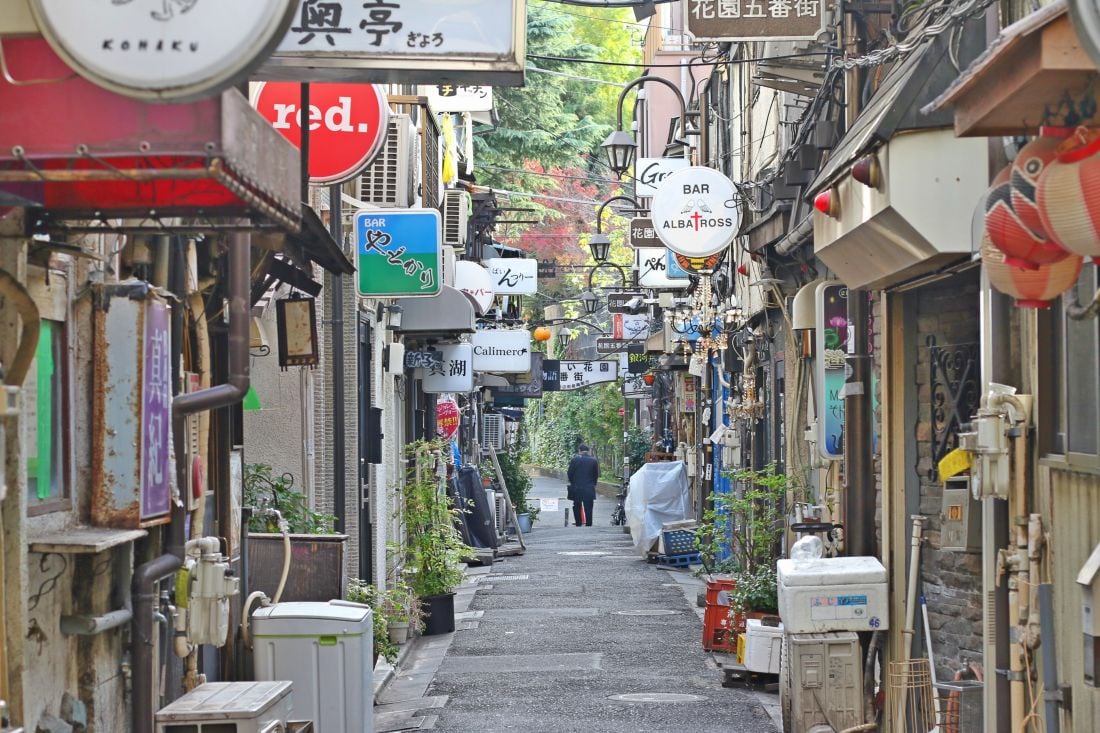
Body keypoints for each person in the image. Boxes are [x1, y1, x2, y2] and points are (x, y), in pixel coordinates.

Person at [566, 444, 599, 527]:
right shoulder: (593, 461)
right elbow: (595, 475)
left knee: (577, 506)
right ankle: (589, 524)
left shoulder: (574, 460)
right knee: (588, 507)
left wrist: (572, 482)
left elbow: (570, 473)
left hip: (577, 487)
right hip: (589, 487)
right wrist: (593, 484)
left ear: (579, 450)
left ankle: (578, 523)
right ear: (588, 451)